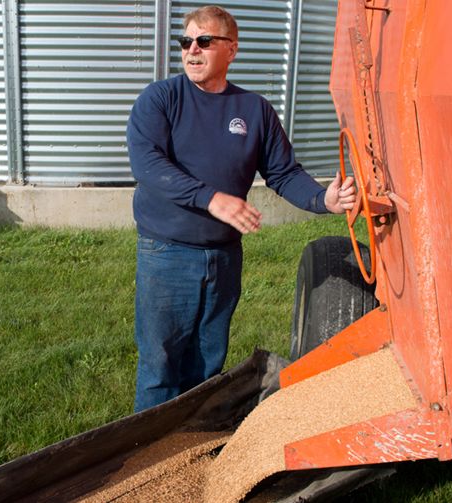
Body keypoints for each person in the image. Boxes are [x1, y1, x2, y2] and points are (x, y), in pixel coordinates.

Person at [126, 5, 357, 412]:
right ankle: (147, 456)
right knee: (160, 365)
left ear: (231, 49)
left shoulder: (254, 110)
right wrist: (211, 198)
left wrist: (324, 199)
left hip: (224, 259)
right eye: (186, 42)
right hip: (167, 254)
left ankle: (192, 445)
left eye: (204, 41)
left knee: (207, 364)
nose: (192, 51)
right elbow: (149, 165)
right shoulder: (160, 99)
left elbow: (284, 172)